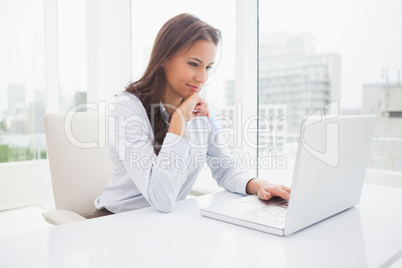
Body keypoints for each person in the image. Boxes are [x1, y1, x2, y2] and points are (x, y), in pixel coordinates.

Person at [94, 13, 290, 216]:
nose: (202, 77)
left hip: (164, 223)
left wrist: (260, 185)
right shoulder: (127, 108)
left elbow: (225, 168)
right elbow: (161, 198)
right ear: (164, 58)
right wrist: (179, 120)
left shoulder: (200, 108)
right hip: (118, 221)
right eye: (193, 64)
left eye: (208, 67)